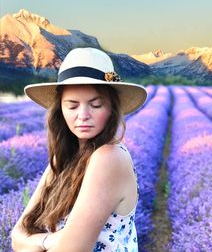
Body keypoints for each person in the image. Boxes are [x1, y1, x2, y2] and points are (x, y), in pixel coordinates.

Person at [11, 47, 147, 251]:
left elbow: (70, 249)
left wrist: (37, 242)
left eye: (95, 105)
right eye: (72, 106)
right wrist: (47, 241)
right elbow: (17, 235)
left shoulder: (109, 157)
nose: (83, 115)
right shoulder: (63, 159)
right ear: (60, 109)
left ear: (111, 108)